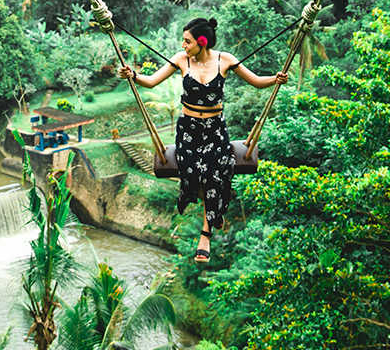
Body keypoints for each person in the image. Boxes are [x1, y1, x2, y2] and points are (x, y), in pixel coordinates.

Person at [119, 17, 288, 262]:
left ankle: (205, 234)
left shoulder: (225, 60)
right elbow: (152, 81)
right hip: (188, 129)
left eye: (187, 41)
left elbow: (256, 82)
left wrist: (275, 79)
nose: (183, 45)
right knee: (190, 173)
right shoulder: (180, 59)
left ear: (202, 41)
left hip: (215, 129)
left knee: (213, 172)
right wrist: (133, 75)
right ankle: (212, 213)